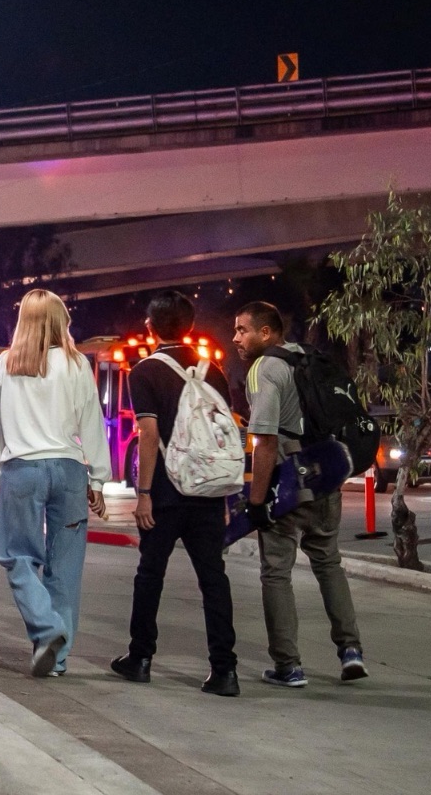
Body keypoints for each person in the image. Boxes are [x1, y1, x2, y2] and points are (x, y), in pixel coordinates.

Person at [110, 291, 240, 696]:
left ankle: (140, 658)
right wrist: (224, 499)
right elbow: (221, 434)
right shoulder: (212, 371)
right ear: (189, 326)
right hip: (207, 491)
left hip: (166, 493)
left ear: (151, 327)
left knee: (151, 573)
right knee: (213, 578)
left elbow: (148, 435)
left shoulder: (145, 371)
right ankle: (225, 671)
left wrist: (144, 493)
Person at [234, 301, 367, 687]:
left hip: (289, 483)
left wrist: (256, 502)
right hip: (326, 477)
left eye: (242, 330)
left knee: (276, 572)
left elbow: (265, 441)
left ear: (266, 333)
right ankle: (351, 650)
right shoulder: (309, 358)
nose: (236, 338)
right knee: (328, 563)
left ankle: (288, 665)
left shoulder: (264, 368)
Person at [0, 289, 111, 678]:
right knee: (65, 567)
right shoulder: (77, 364)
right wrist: (99, 479)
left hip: (22, 471)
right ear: (60, 322)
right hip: (70, 471)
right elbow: (91, 422)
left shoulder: (5, 364)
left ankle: (46, 629)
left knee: (16, 556)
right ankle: (56, 659)